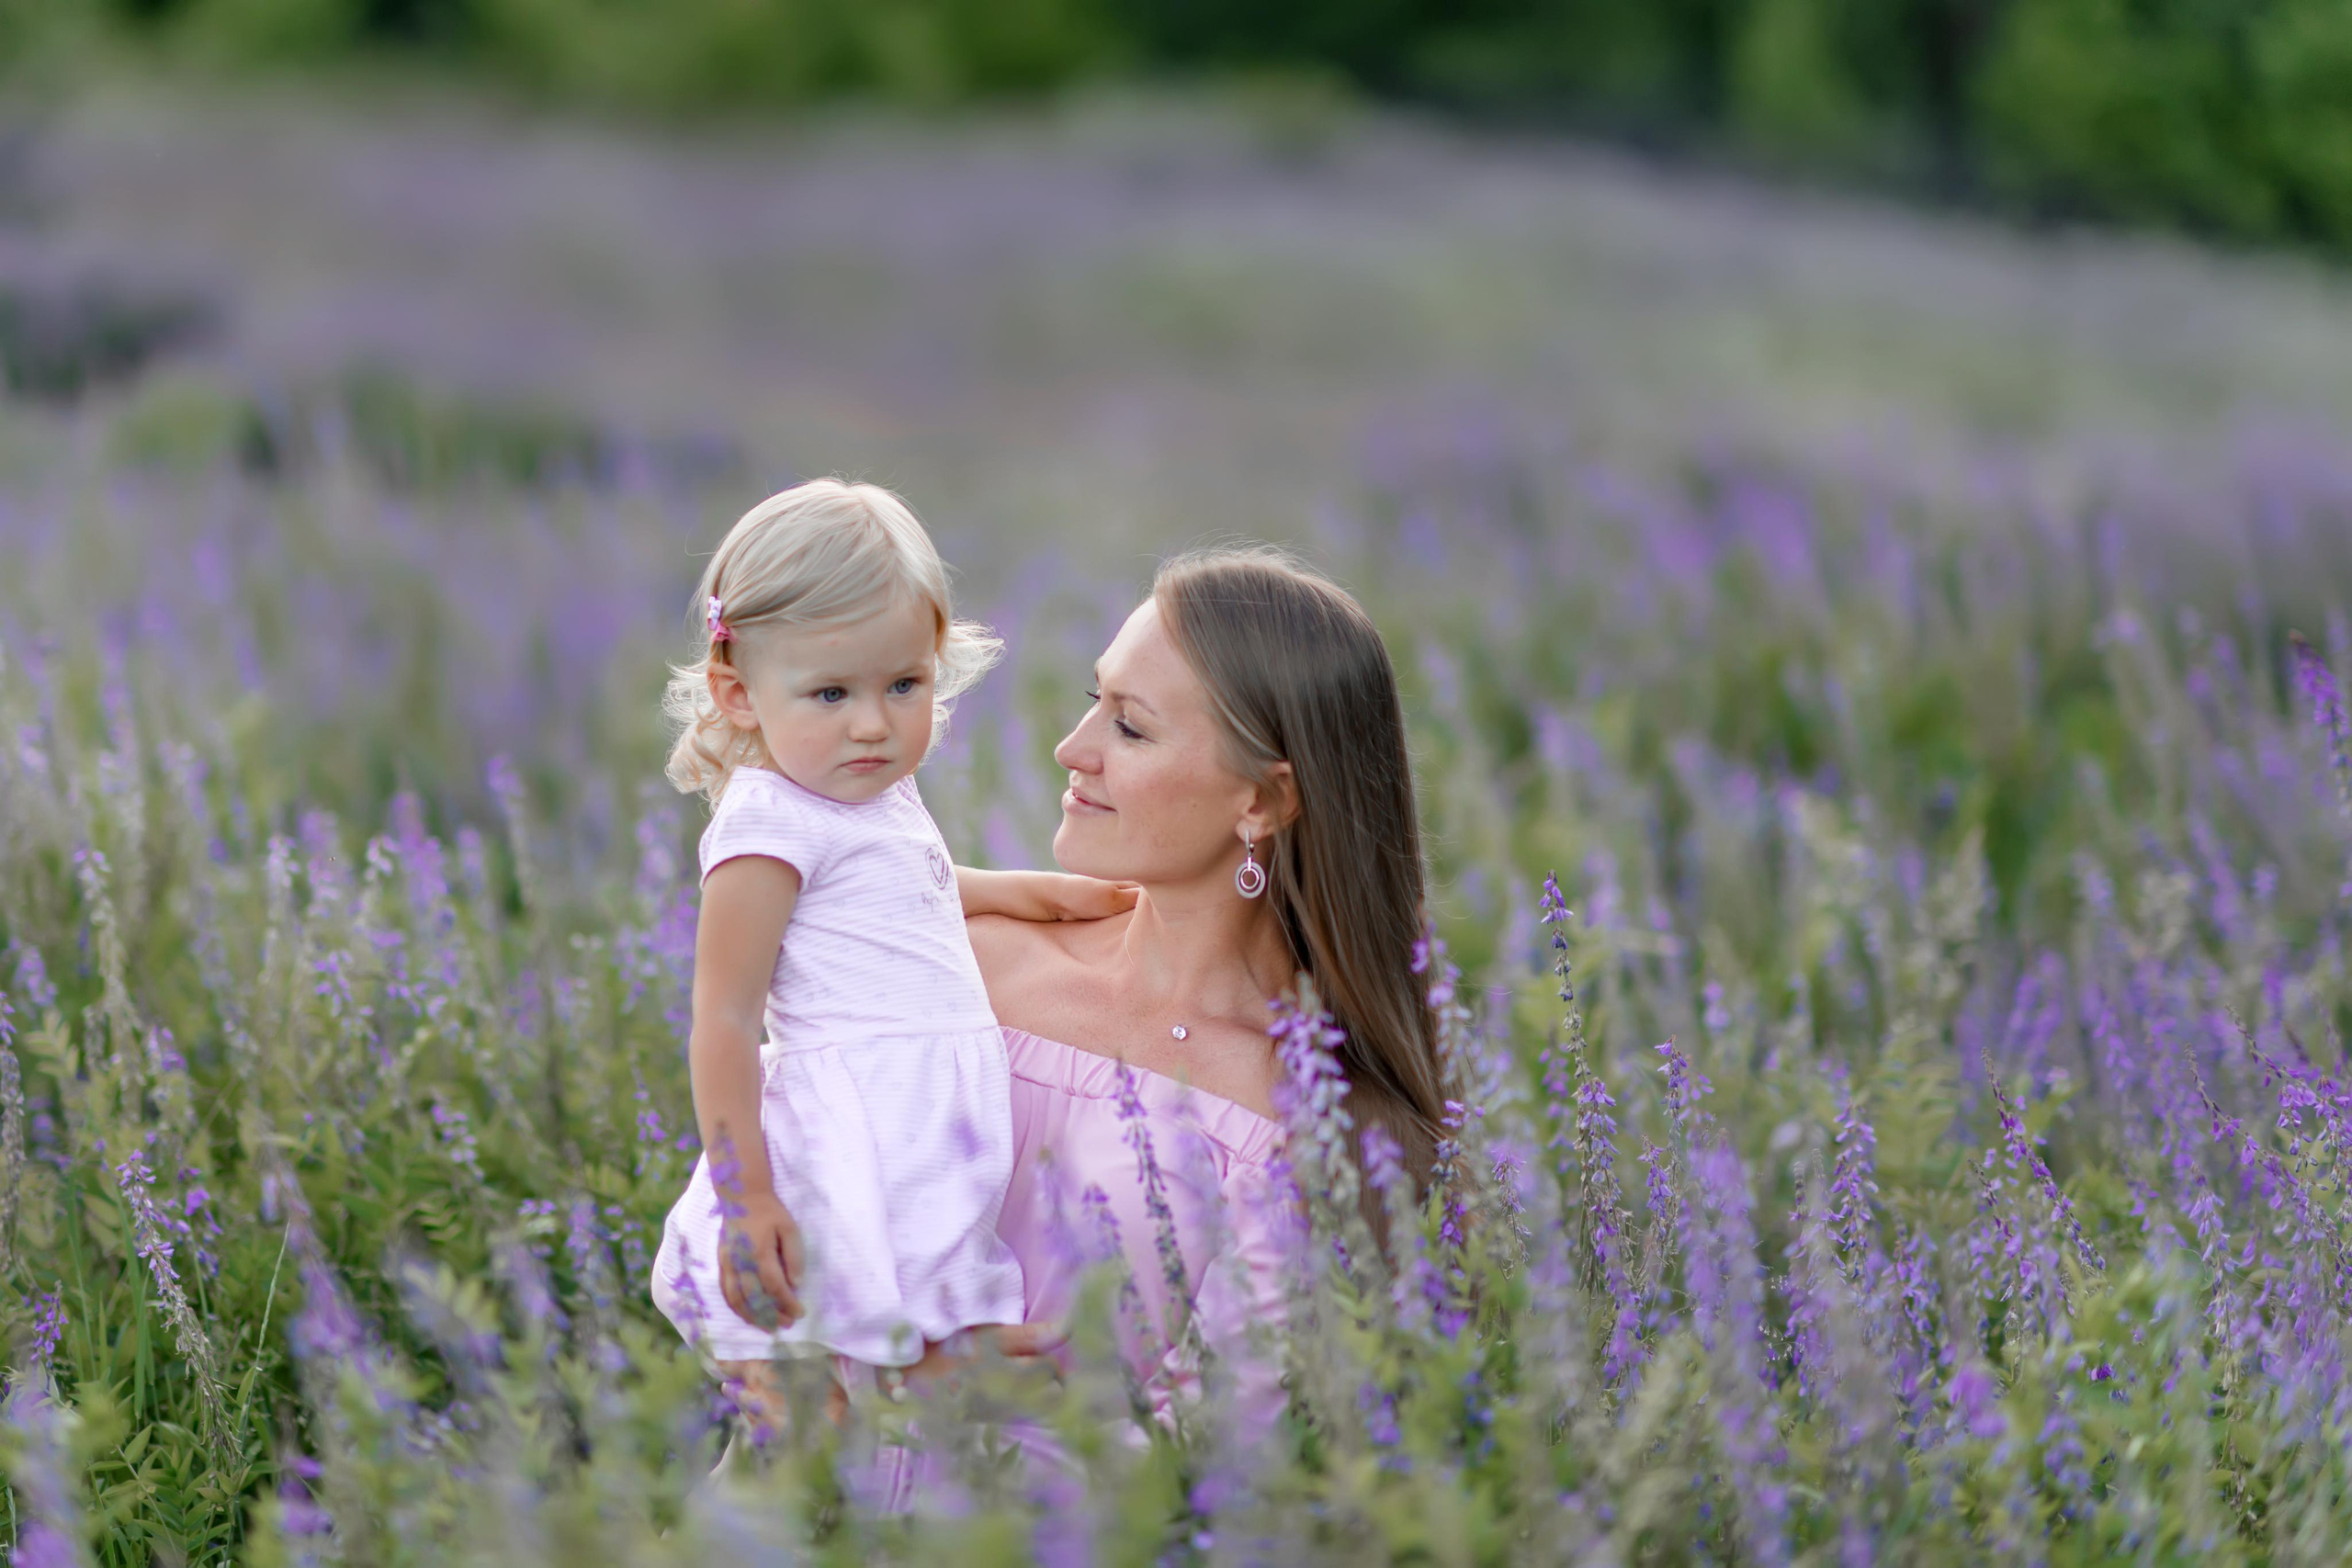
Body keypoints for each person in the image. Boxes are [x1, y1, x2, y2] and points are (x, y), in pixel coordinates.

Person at [647, 478, 1129, 1433]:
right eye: (831, 693)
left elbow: (915, 887)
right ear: (738, 694)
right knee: (810, 1441)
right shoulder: (767, 823)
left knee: (892, 1427)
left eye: (903, 685)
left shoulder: (868, 790)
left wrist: (1049, 894)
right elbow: (724, 1018)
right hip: (827, 1161)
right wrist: (747, 1200)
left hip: (911, 1142)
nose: (874, 724)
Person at [956, 544, 1453, 1445]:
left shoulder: (1310, 1122)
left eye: (1131, 728)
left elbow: (1211, 1458)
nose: (1072, 751)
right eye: (1090, 703)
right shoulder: (969, 965)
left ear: (1264, 801)